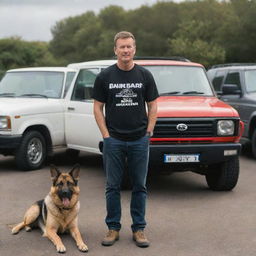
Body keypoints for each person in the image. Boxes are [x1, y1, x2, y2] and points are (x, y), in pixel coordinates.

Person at [92, 31, 158, 248]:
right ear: (115, 50)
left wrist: (149, 130)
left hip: (140, 139)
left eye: (129, 46)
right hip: (114, 141)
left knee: (140, 185)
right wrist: (106, 136)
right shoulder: (105, 77)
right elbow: (97, 107)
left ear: (134, 49)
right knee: (112, 186)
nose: (126, 50)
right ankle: (113, 228)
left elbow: (153, 104)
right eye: (122, 47)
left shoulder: (145, 75)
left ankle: (139, 229)